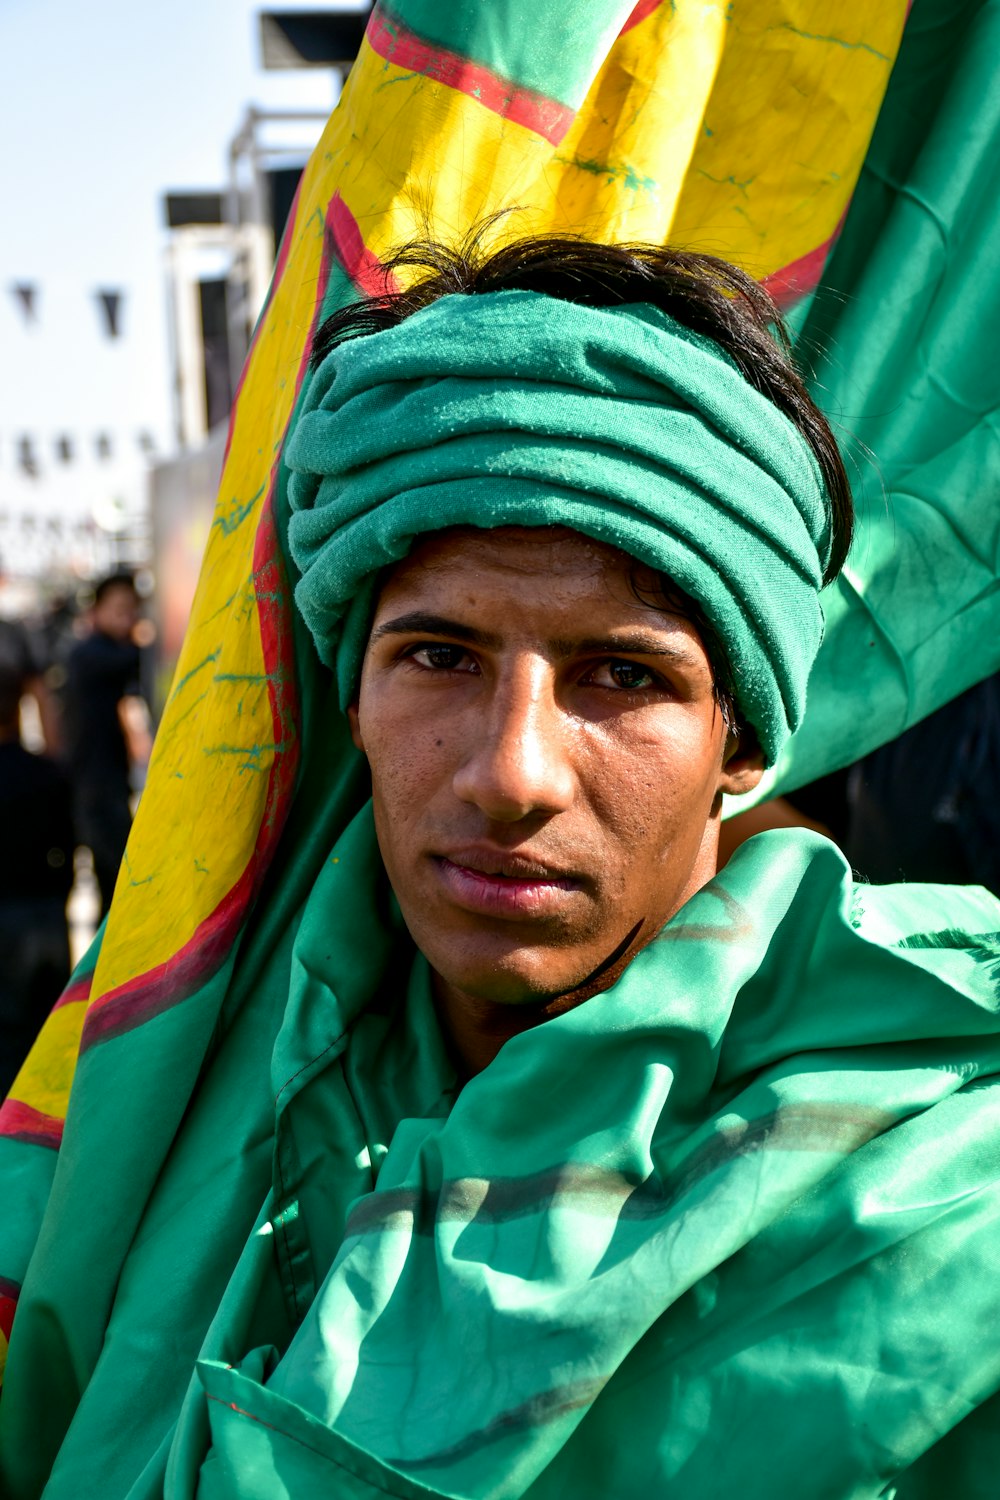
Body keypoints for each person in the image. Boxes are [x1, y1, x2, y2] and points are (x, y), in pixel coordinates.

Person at [2, 240, 999, 1499]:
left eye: (624, 677)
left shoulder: (942, 1170)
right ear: (352, 695)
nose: (510, 773)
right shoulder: (161, 1121)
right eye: (437, 657)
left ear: (738, 737)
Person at [0, 665, 74, 1098]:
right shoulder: (46, 773)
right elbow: (68, 844)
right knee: (50, 1033)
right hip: (44, 913)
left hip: (6, 917)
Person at [62, 572, 146, 919]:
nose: (127, 619)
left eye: (132, 610)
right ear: (95, 611)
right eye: (119, 610)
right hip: (95, 785)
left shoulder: (103, 651)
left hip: (104, 781)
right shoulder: (89, 653)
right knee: (117, 880)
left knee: (113, 880)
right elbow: (133, 661)